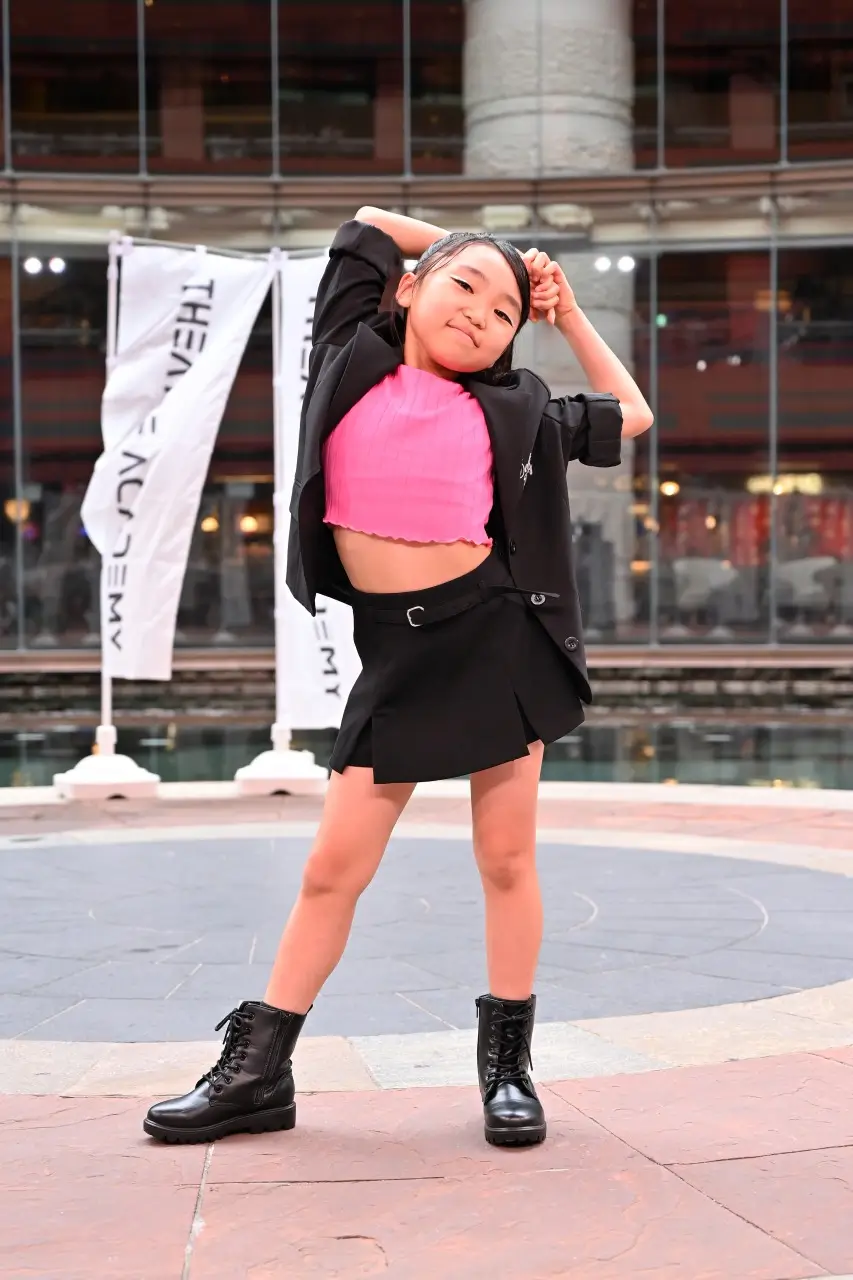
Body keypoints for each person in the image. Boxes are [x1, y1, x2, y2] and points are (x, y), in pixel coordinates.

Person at [144, 208, 653, 1149]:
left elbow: (635, 413)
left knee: (505, 860)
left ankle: (508, 1071)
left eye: (502, 314)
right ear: (410, 289)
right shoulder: (347, 355)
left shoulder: (520, 408)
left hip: (495, 639)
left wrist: (564, 310)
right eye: (462, 288)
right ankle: (257, 1075)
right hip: (395, 654)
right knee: (331, 869)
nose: (480, 316)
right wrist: (495, 251)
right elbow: (367, 225)